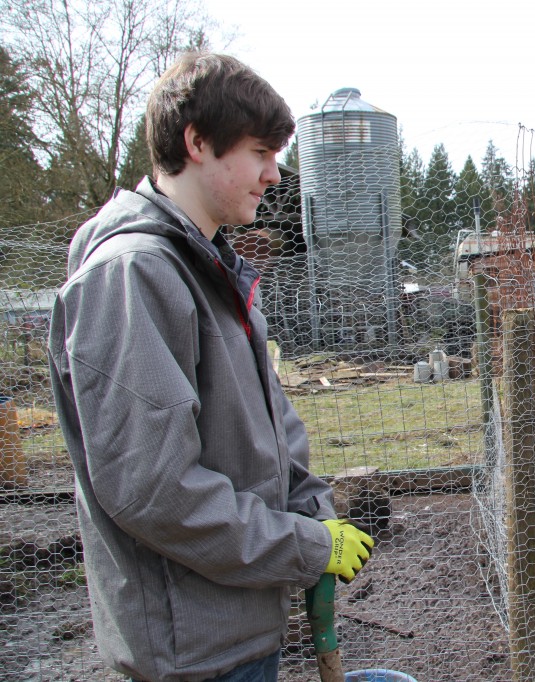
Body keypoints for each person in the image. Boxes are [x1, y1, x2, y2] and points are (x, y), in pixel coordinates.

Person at [47, 52, 374, 682]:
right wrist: (303, 548)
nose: (275, 176)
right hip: (193, 650)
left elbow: (269, 433)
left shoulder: (209, 268)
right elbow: (156, 490)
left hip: (239, 625)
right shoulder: (135, 275)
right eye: (260, 154)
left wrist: (313, 512)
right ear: (198, 143)